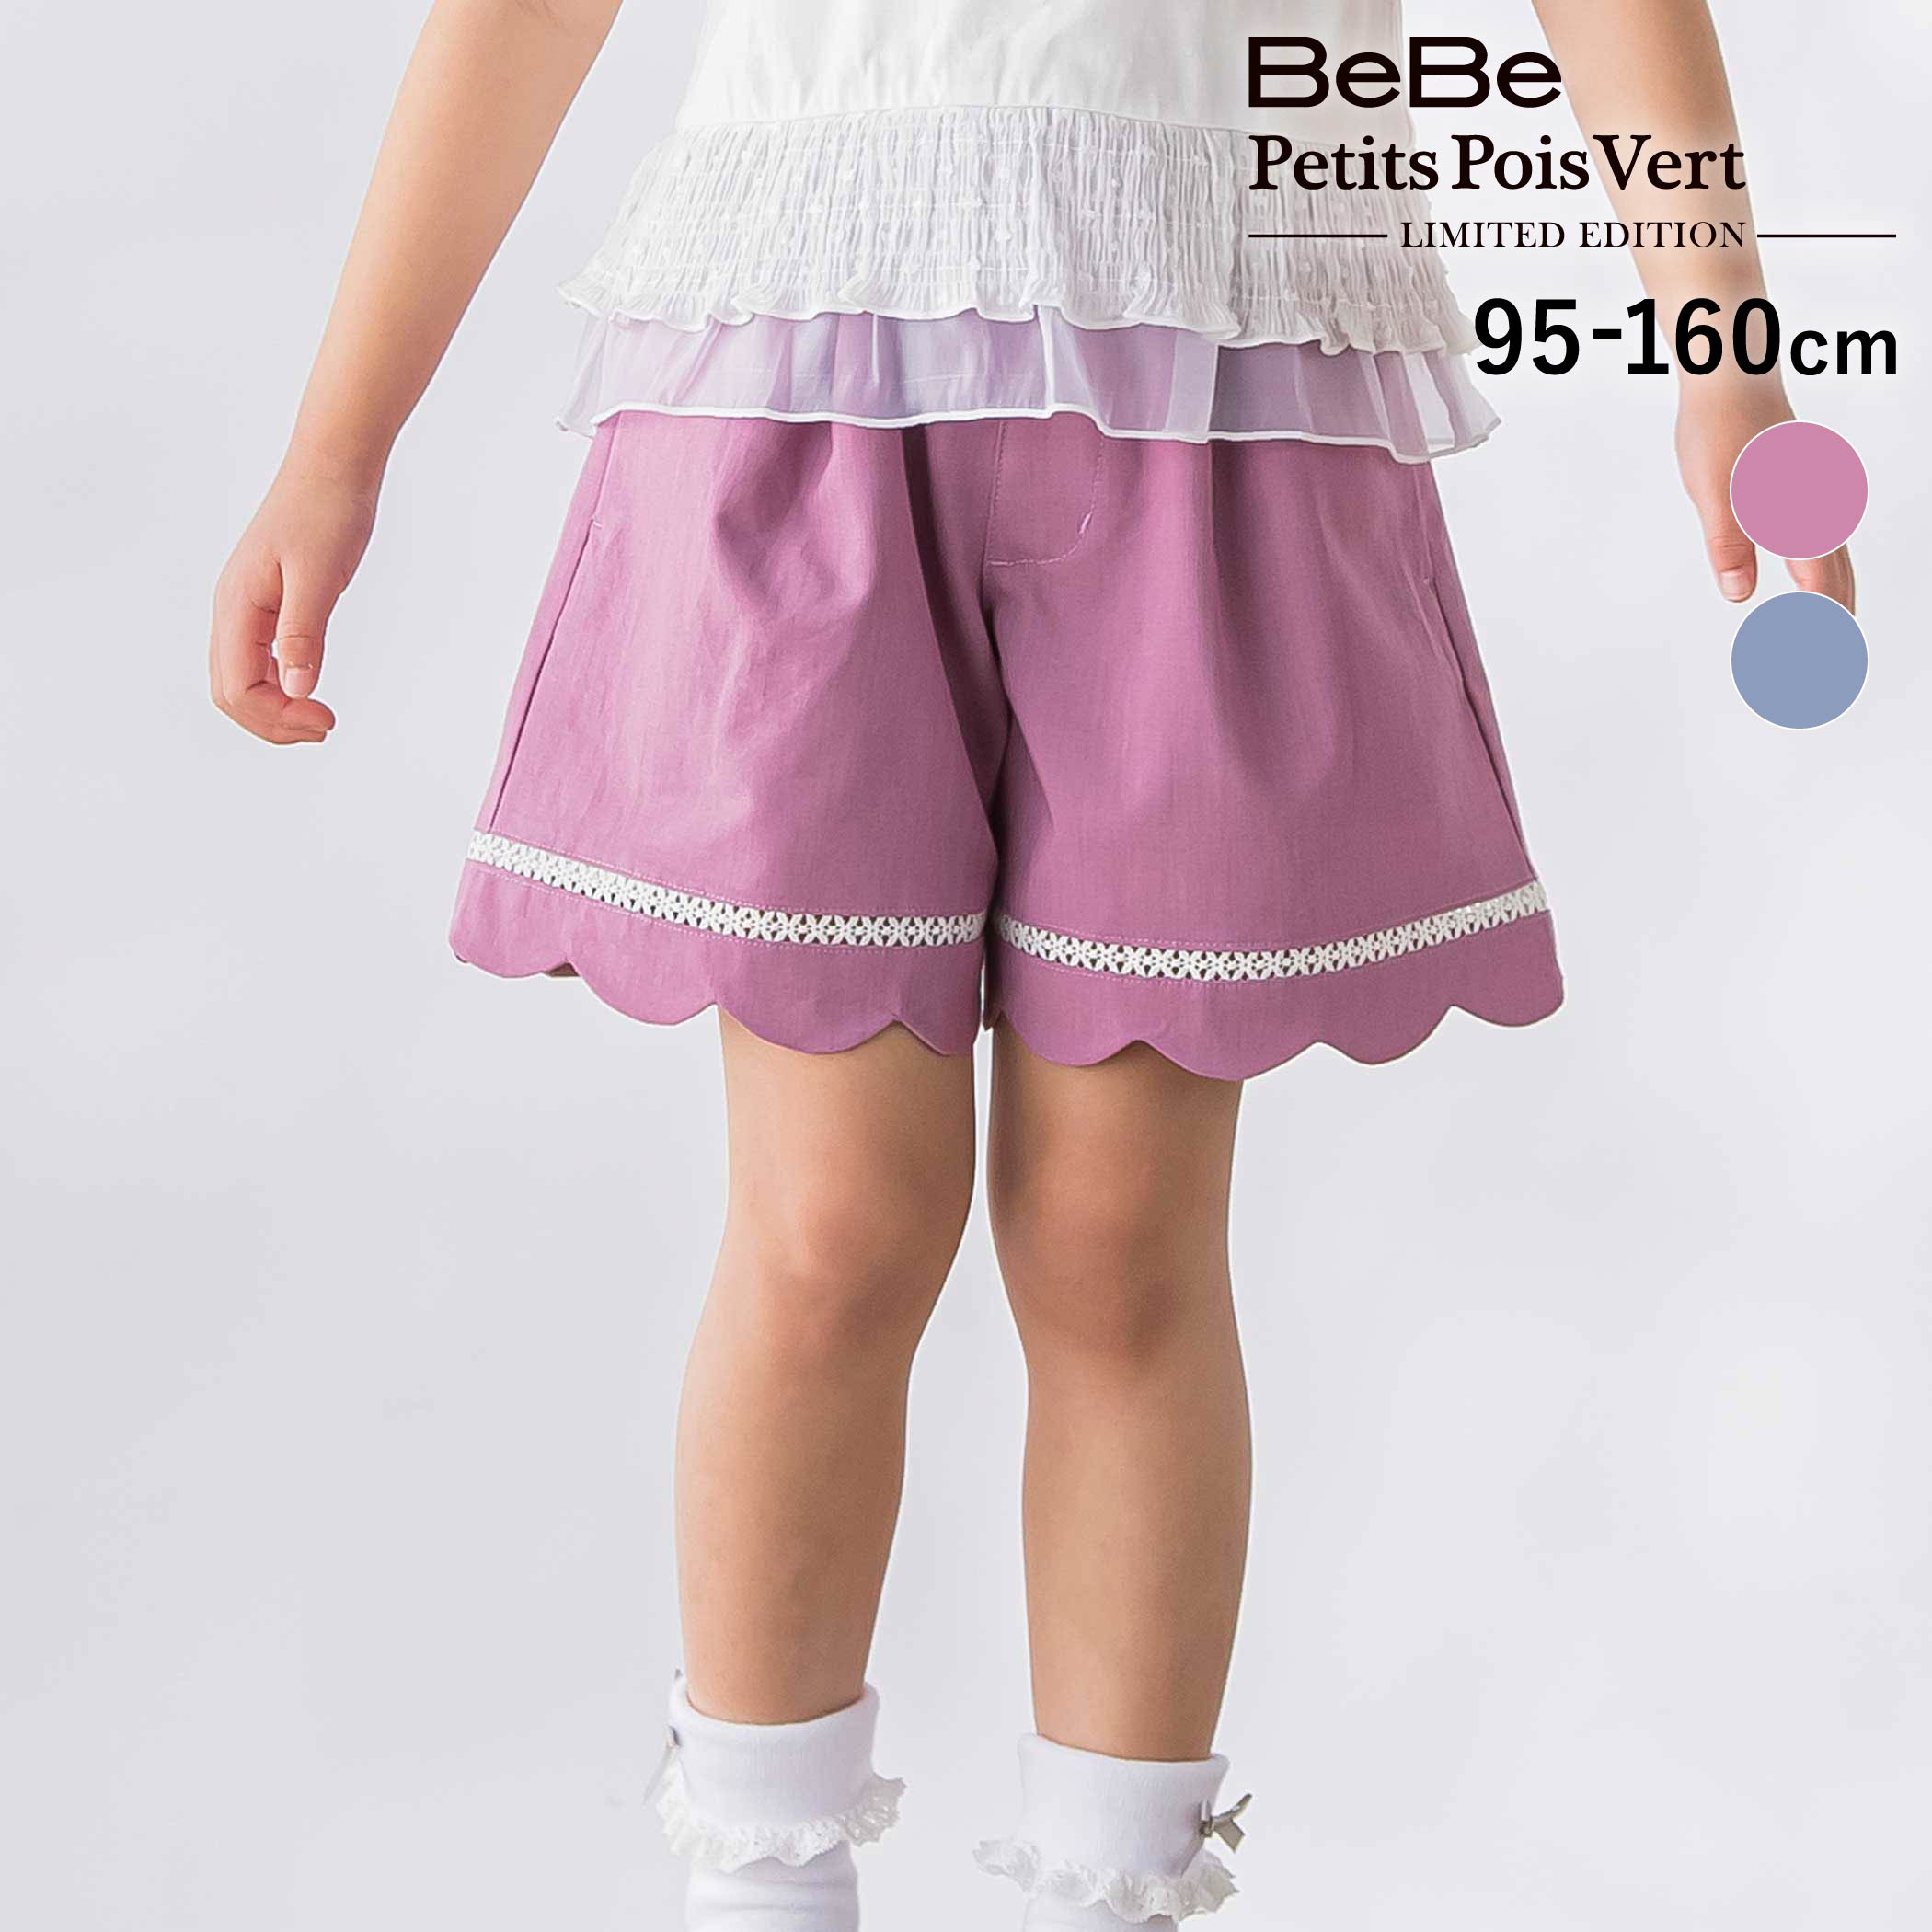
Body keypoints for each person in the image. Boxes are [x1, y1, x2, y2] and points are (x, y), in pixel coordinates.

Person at [209, 3, 1854, 1925]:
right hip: (805, 344)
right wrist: (336, 444)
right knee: (832, 1227)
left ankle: (1116, 1893)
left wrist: (1724, 342)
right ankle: (762, 1889)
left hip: (1224, 361)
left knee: (1115, 1238)